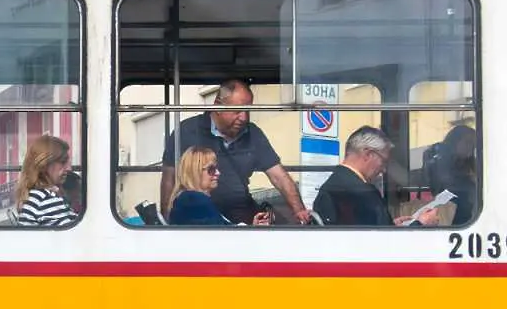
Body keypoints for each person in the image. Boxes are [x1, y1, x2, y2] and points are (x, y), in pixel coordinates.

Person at [160, 78, 309, 225]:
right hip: (202, 216)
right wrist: (166, 225)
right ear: (217, 106)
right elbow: (169, 179)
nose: (243, 118)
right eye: (237, 111)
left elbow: (279, 177)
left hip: (243, 215)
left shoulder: (253, 133)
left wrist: (299, 212)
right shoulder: (186, 131)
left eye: (247, 111)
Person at [312, 126, 439, 226]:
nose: (383, 169)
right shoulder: (363, 192)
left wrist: (391, 225)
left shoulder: (332, 184)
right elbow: (384, 244)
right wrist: (421, 223)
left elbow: (363, 231)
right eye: (383, 161)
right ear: (368, 154)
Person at [169, 146, 270, 226]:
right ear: (196, 172)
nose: (218, 173)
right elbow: (223, 237)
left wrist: (253, 228)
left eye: (217, 168)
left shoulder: (189, 199)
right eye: (211, 169)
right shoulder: (194, 199)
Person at [15, 134, 78, 227]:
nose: (68, 168)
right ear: (44, 165)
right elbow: (74, 234)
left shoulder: (37, 195)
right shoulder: (46, 200)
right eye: (63, 162)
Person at [423, 125, 476, 225]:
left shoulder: (468, 162)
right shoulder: (441, 161)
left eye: (473, 144)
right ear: (455, 142)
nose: (471, 147)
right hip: (451, 210)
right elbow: (447, 186)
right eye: (468, 143)